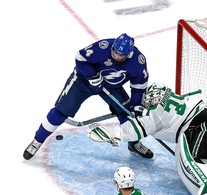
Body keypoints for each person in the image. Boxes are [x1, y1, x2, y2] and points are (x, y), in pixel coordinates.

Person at [89, 82, 207, 195]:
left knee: (188, 154)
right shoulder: (179, 98)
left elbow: (137, 128)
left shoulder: (156, 114)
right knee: (202, 141)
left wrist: (113, 133)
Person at [23, 33, 154, 160]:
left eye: (121, 55)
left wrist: (135, 108)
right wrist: (92, 75)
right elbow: (80, 58)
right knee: (60, 111)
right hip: (84, 81)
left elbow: (139, 88)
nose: (117, 56)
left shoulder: (138, 62)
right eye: (115, 52)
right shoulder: (103, 47)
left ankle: (134, 143)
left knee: (129, 116)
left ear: (129, 54)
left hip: (112, 87)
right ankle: (37, 140)